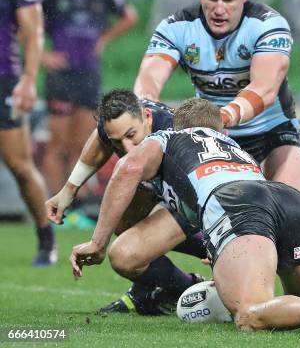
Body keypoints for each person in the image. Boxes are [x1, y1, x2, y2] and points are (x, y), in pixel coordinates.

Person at [68, 97, 300, 337]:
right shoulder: (232, 147)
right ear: (220, 130)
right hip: (288, 200)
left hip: (240, 206)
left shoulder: (167, 139)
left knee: (251, 313)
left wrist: (99, 243)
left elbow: (128, 169)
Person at [134, 0, 300, 194]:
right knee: (153, 205)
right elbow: (149, 81)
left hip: (272, 133)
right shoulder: (174, 27)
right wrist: (147, 114)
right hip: (211, 135)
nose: (219, 9)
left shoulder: (268, 25)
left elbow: (265, 89)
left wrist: (223, 116)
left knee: (291, 209)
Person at [46, 89, 207, 315]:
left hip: (196, 199)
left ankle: (202, 272)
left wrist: (215, 237)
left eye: (131, 135)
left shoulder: (176, 134)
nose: (127, 148)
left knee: (125, 255)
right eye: (118, 141)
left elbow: (204, 192)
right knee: (122, 220)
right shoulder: (117, 126)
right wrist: (68, 190)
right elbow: (100, 139)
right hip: (170, 196)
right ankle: (183, 288)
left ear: (147, 117)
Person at [41, 0, 138, 197]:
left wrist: (104, 38)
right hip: (60, 76)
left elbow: (130, 16)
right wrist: (43, 56)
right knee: (57, 145)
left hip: (88, 75)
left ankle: (74, 206)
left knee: (81, 146)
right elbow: (26, 23)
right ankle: (53, 200)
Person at [0, 0, 56, 265]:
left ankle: (46, 238)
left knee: (19, 166)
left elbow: (34, 29)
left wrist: (28, 79)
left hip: (4, 79)